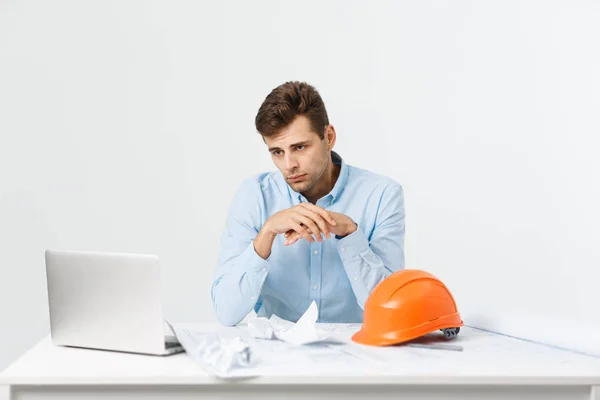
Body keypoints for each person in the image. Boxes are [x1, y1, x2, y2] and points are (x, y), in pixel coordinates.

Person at [211, 81, 405, 326]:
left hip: (356, 354)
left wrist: (350, 235)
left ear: (329, 137)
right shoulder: (255, 195)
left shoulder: (381, 195)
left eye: (299, 147)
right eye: (277, 152)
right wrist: (267, 233)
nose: (289, 164)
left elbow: (393, 309)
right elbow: (227, 312)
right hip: (277, 356)